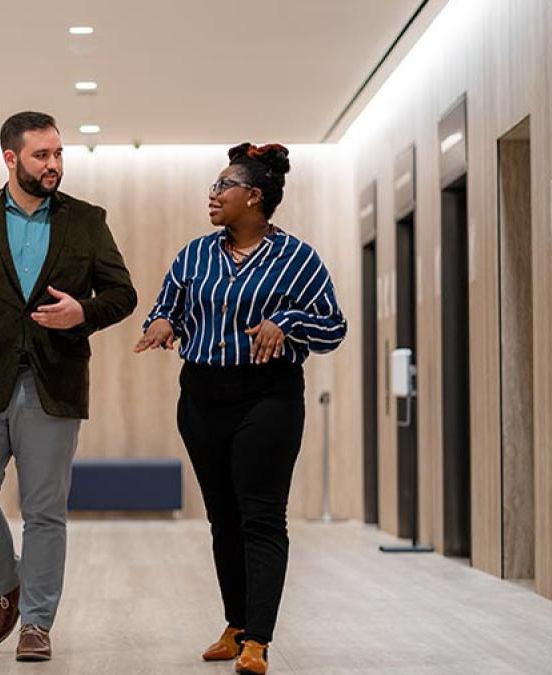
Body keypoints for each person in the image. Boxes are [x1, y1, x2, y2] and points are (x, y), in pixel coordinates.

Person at [0, 111, 137, 662]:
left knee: (45, 510)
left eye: (59, 154)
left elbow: (122, 293)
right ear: (11, 158)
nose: (54, 165)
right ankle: (8, 589)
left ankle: (36, 622)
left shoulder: (87, 221)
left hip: (53, 384)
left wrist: (81, 313)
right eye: (42, 155)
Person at [134, 143, 346, 675]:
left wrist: (288, 323)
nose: (212, 194)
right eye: (212, 186)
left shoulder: (299, 258)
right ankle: (234, 626)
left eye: (222, 186)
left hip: (267, 396)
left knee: (261, 517)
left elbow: (334, 327)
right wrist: (161, 325)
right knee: (222, 518)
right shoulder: (194, 254)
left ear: (254, 197)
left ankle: (259, 641)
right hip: (202, 397)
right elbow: (168, 308)